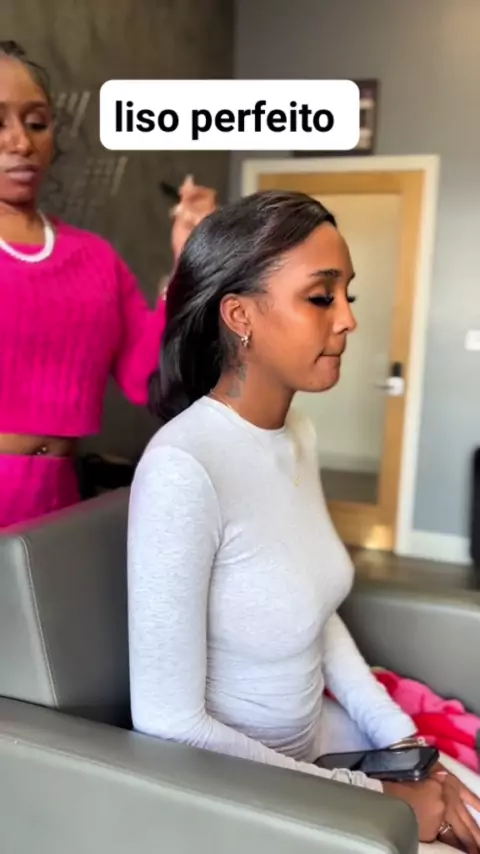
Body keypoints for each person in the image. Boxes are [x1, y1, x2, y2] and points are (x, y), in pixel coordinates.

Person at [127, 188, 480, 852]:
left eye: (349, 295)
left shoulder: (299, 435)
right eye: (321, 297)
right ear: (240, 315)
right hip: (246, 793)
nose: (348, 319)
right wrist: (377, 799)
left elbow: (314, 615)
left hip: (315, 751)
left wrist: (406, 744)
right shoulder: (183, 467)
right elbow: (169, 721)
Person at [0, 40, 215, 529]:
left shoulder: (94, 259)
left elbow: (150, 379)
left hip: (57, 508)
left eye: (36, 123)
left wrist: (188, 260)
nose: (21, 143)